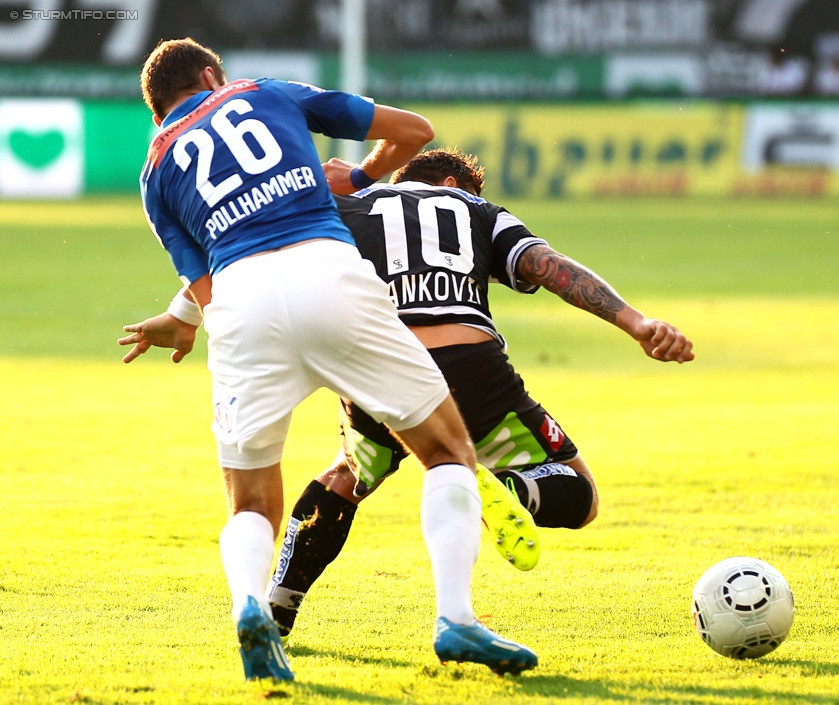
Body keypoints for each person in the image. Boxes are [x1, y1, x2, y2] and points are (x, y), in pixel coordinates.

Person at [120, 38, 538, 682]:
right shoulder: (266, 92)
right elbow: (414, 132)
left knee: (251, 503)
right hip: (329, 274)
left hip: (242, 307)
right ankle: (455, 618)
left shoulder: (154, 171)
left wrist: (184, 325)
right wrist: (362, 176)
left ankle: (249, 608)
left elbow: (207, 292)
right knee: (448, 452)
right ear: (211, 76)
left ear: (159, 112)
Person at [264, 148, 695, 643]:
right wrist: (637, 323)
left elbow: (260, 245)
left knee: (347, 475)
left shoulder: (351, 206)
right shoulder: (477, 210)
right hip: (470, 371)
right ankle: (511, 492)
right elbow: (547, 266)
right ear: (452, 184)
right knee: (580, 493)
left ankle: (278, 603)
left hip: (375, 366)